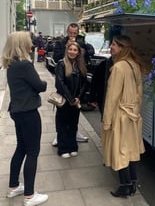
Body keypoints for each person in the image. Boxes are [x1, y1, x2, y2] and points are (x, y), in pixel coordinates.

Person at [2, 31, 48, 206]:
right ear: (22, 44)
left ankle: (14, 185)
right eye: (29, 41)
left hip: (17, 110)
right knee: (33, 152)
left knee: (21, 147)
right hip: (28, 112)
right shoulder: (24, 65)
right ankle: (29, 195)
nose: (32, 44)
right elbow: (39, 86)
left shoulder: (12, 64)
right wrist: (43, 83)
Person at [101, 35, 145, 198]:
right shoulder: (135, 65)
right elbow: (140, 94)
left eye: (113, 44)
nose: (111, 47)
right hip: (133, 115)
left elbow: (112, 97)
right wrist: (136, 111)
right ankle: (133, 183)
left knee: (120, 151)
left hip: (120, 116)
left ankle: (124, 186)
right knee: (132, 151)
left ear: (122, 48)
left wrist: (107, 121)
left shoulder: (119, 67)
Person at [52, 23, 95, 145]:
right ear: (67, 32)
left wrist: (83, 51)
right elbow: (55, 58)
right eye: (71, 33)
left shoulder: (81, 41)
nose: (73, 36)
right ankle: (59, 135)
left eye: (75, 33)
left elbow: (90, 51)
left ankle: (75, 133)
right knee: (62, 111)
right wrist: (66, 49)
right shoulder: (61, 43)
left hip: (77, 77)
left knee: (74, 112)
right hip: (65, 76)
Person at [54, 42, 87, 158]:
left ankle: (73, 146)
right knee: (63, 125)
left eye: (75, 50)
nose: (72, 52)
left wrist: (79, 97)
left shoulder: (80, 65)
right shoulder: (61, 64)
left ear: (78, 52)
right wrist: (70, 99)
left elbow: (84, 84)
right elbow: (59, 83)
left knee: (73, 125)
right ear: (67, 50)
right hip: (64, 101)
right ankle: (63, 148)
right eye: (70, 49)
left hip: (76, 101)